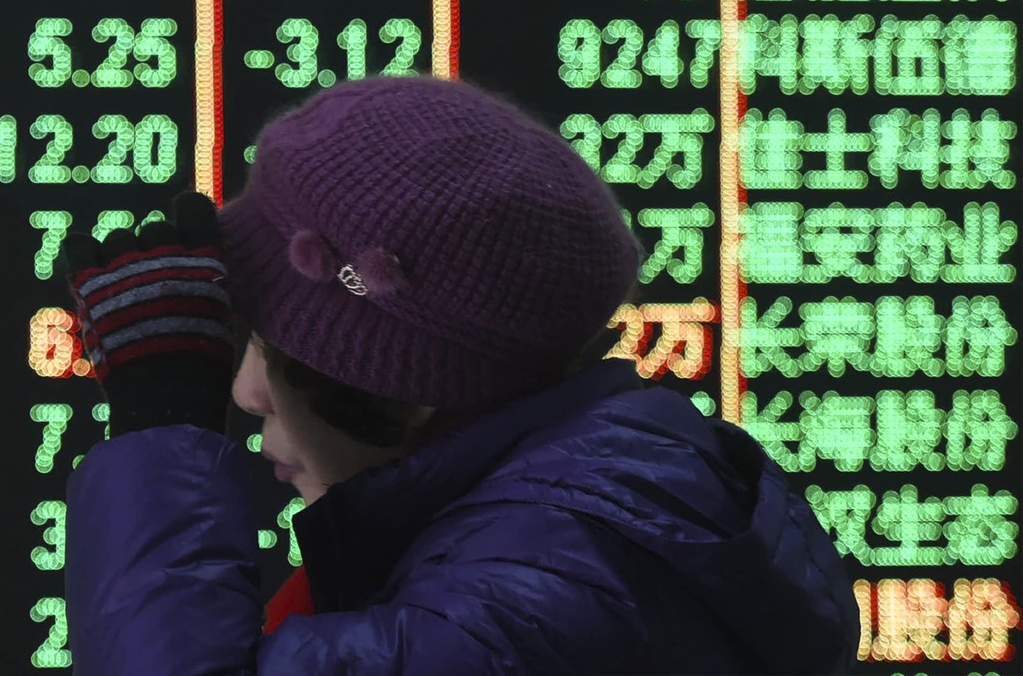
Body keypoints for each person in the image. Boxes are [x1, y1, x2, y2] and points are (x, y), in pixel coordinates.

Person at [61, 74, 861, 675]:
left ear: (406, 393)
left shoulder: (544, 596)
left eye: (275, 348)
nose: (243, 391)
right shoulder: (596, 515)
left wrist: (164, 425)